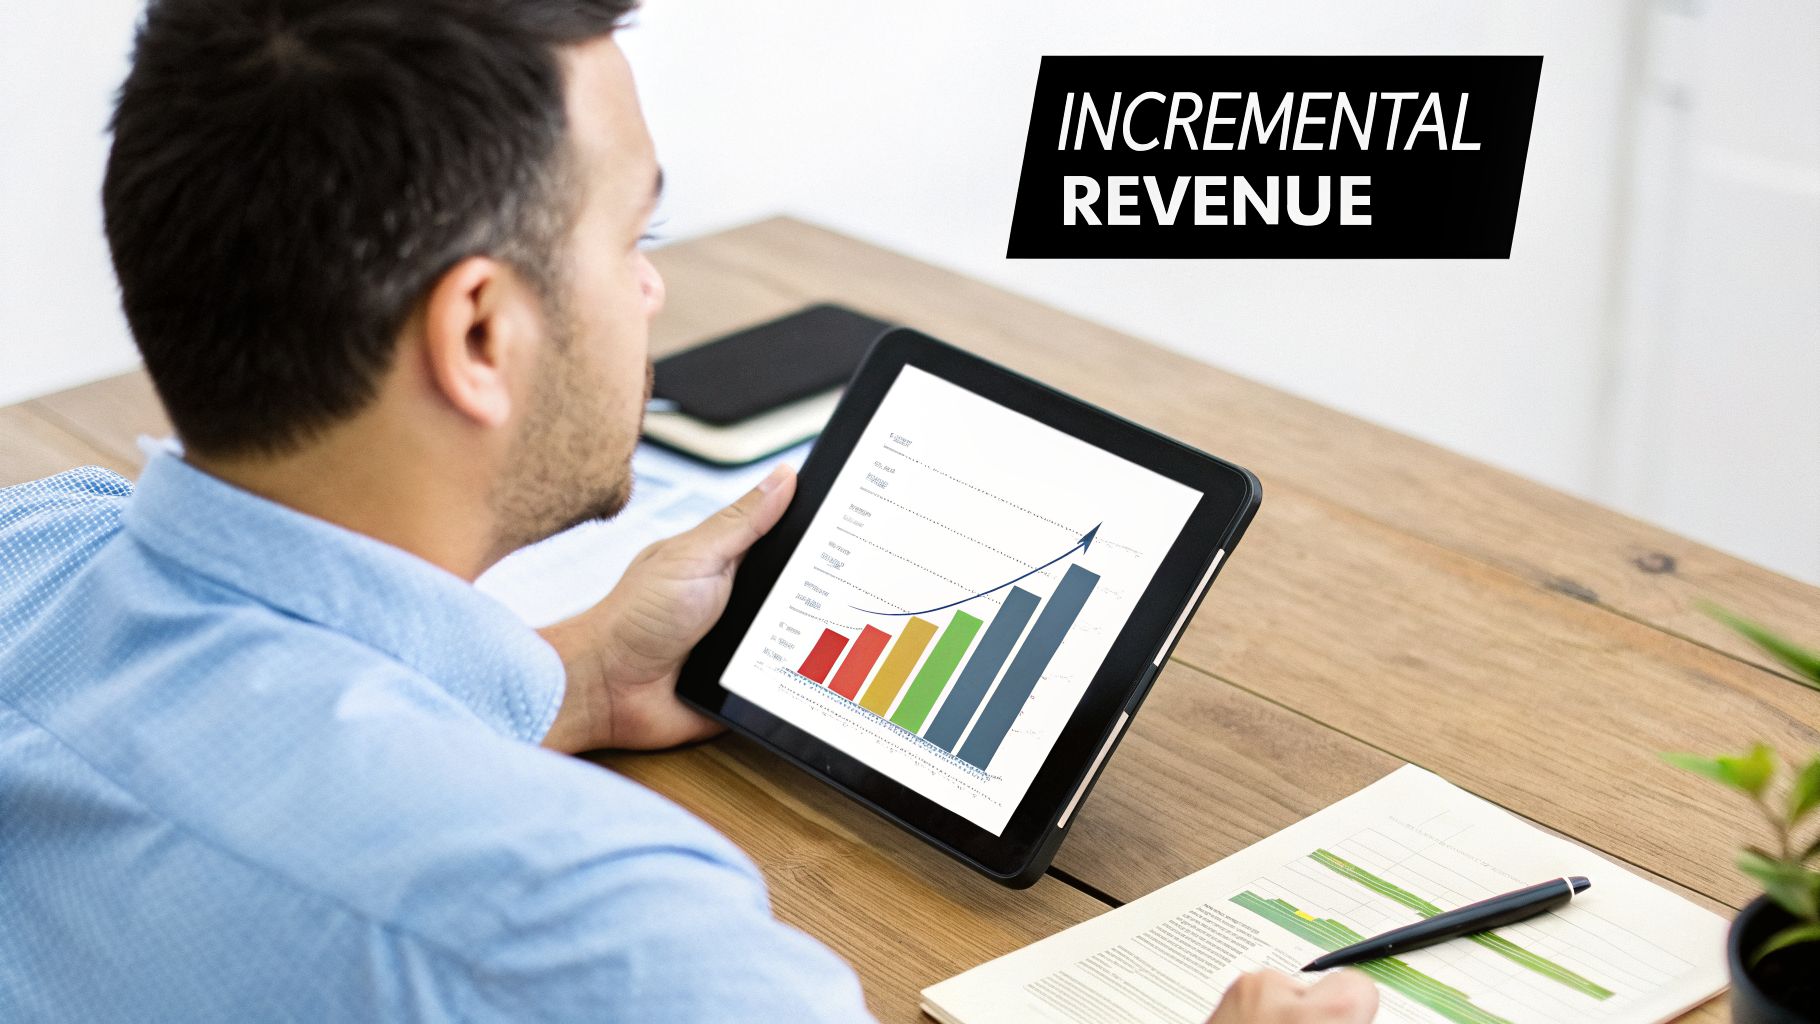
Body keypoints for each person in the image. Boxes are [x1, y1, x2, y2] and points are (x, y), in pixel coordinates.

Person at [0, 1, 1380, 1021]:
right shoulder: (605, 939)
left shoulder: (35, 549)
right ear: (479, 333)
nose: (650, 292)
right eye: (633, 242)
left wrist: (577, 679)